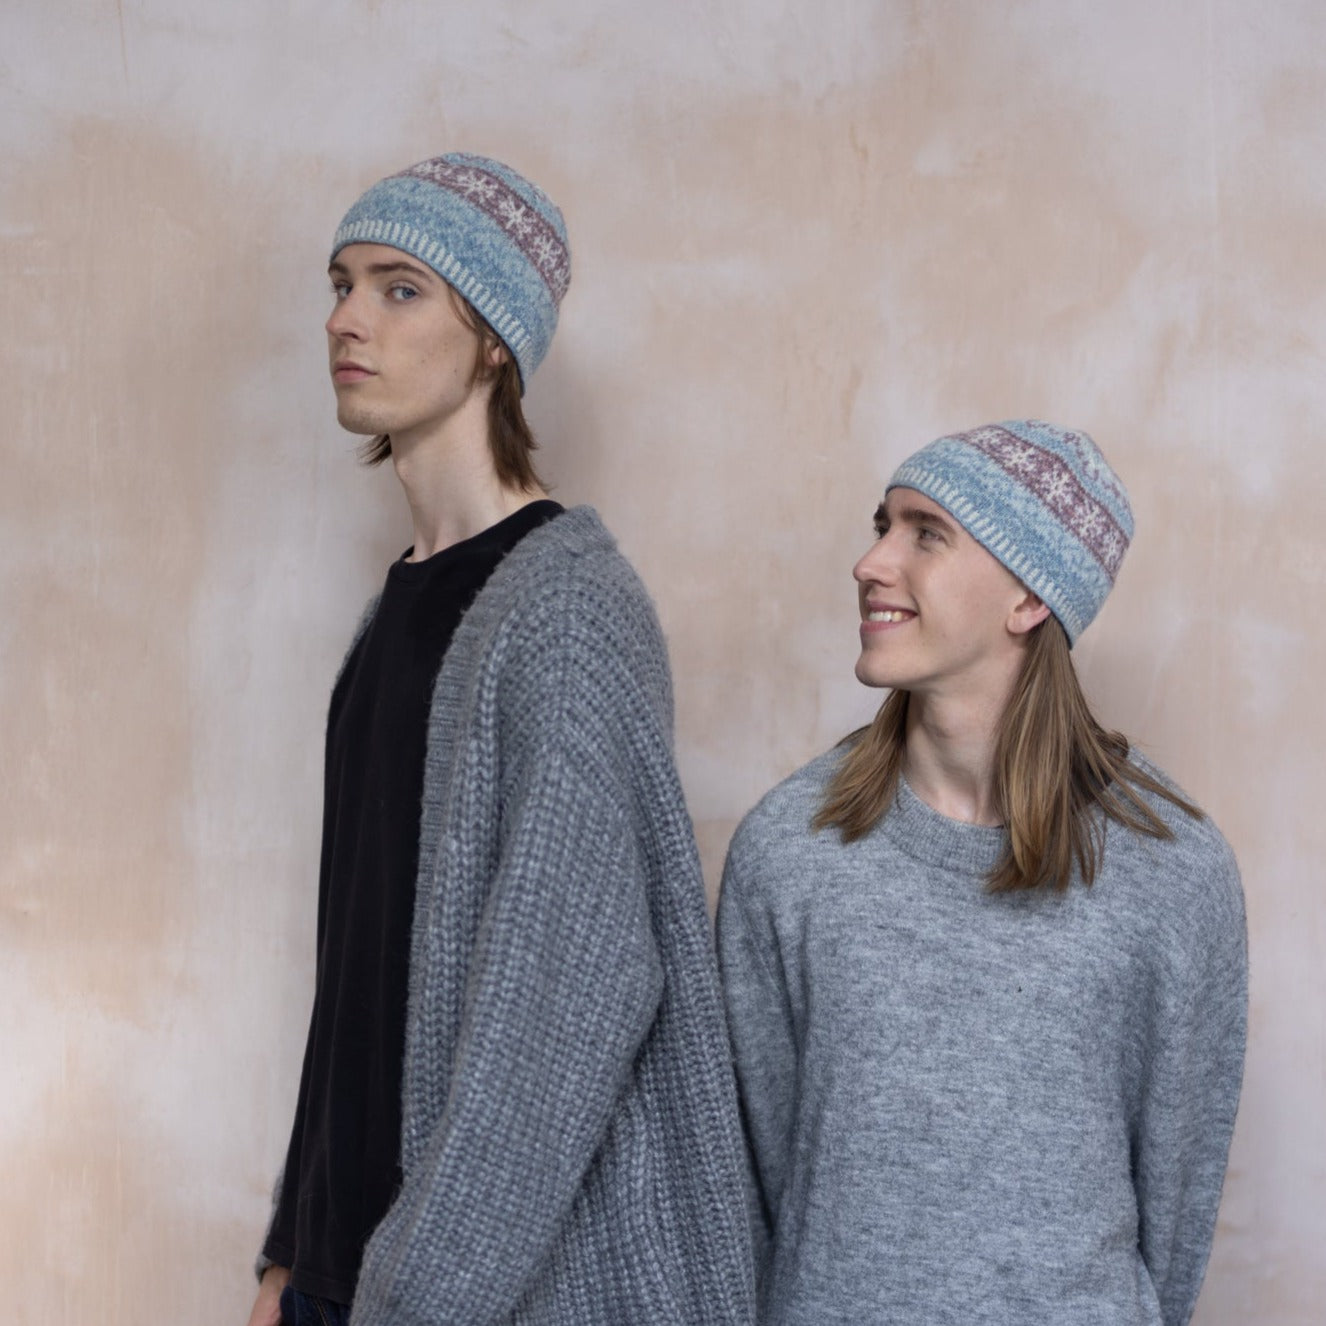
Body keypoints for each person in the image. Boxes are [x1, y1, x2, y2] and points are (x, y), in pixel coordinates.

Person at [245, 153, 755, 1326]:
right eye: (341, 284)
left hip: (470, 1294)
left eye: (400, 288)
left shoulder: (565, 613)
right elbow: (358, 971)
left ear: (492, 342)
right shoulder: (395, 612)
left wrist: (421, 1289)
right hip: (338, 1274)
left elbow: (570, 1004)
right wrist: (290, 1254)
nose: (346, 319)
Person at [717, 420, 1247, 1326]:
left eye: (926, 534)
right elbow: (757, 1180)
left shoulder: (1172, 871)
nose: (871, 563)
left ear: (1029, 596)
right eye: (882, 525)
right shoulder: (790, 849)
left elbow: (1177, 1200)